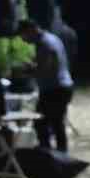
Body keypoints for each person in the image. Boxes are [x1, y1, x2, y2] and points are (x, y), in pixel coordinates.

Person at [18, 19, 74, 153]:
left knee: (44, 124)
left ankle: (51, 154)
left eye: (23, 36)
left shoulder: (45, 44)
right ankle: (58, 154)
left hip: (55, 89)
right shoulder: (51, 38)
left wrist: (28, 71)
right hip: (60, 86)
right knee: (54, 124)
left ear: (30, 30)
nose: (24, 40)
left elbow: (46, 69)